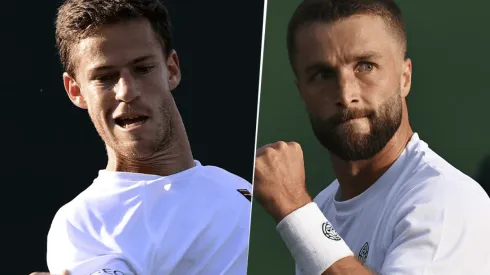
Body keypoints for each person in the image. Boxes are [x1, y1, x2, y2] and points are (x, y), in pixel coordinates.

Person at [253, 0, 490, 274]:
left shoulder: (447, 199)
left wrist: (294, 209)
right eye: (322, 75)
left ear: (405, 78)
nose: (345, 95)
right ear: (302, 92)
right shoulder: (321, 208)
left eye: (365, 66)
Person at [32, 0, 252, 274]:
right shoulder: (82, 223)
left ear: (171, 69)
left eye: (142, 69)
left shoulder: (242, 190)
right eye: (105, 77)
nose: (126, 91)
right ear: (75, 90)